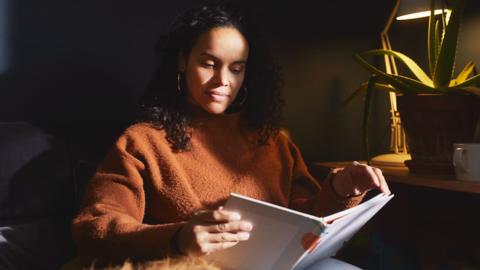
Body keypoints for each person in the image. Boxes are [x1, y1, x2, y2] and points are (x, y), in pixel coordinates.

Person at [71, 1, 390, 268]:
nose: (223, 80)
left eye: (236, 68)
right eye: (209, 64)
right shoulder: (141, 141)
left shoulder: (272, 140)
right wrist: (178, 237)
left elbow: (306, 222)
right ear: (183, 60)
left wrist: (340, 189)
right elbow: (94, 227)